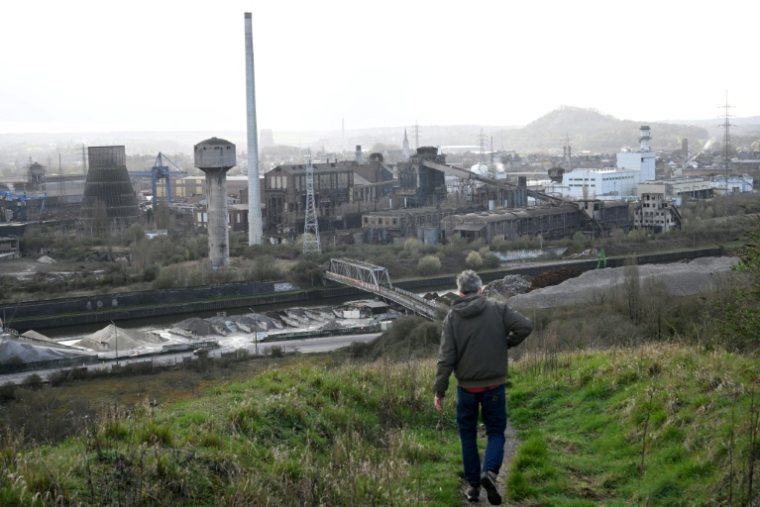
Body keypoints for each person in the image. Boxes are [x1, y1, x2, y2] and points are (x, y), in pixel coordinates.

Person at [434, 270, 533, 505]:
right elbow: (525, 326)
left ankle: (473, 488)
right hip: (494, 387)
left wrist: (440, 391)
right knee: (496, 432)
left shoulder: (452, 317)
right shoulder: (498, 309)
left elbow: (446, 358)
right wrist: (506, 344)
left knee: (467, 435)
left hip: (466, 389)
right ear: (480, 290)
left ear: (460, 292)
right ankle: (489, 473)